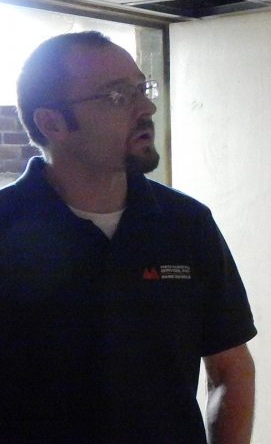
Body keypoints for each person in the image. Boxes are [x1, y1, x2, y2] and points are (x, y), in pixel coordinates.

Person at [0, 31, 257, 443]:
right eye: (117, 96)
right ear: (52, 123)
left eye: (142, 88)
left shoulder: (186, 224)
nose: (147, 107)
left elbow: (230, 368)